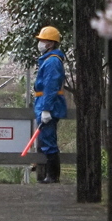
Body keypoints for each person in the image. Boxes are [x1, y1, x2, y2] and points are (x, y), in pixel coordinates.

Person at [33, 26, 67, 183]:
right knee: (45, 140)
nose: (40, 43)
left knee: (48, 141)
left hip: (48, 104)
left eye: (42, 40)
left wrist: (46, 109)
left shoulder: (52, 62)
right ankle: (49, 175)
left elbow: (51, 86)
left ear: (50, 44)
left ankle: (52, 176)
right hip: (45, 102)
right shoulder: (49, 60)